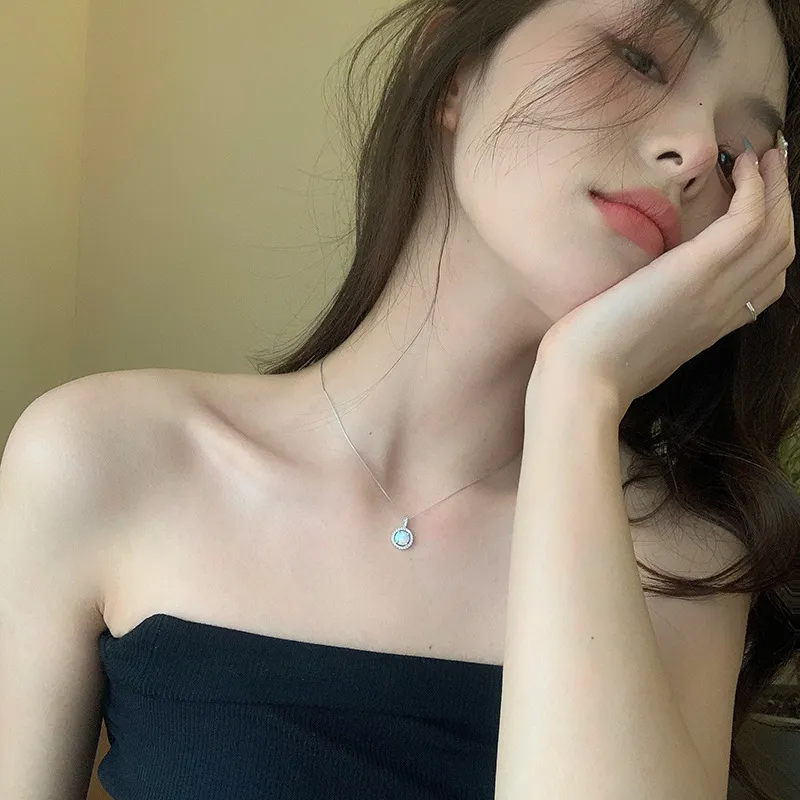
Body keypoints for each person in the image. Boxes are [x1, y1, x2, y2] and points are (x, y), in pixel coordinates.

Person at [1, 0, 798, 799]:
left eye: (740, 151)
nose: (698, 153)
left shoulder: (687, 559)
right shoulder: (104, 458)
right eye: (639, 59)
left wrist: (578, 394)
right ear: (453, 68)